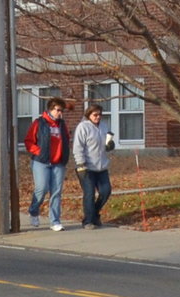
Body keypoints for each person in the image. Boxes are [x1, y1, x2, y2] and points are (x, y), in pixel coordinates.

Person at [22, 97, 70, 230]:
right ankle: (34, 211)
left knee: (56, 192)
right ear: (50, 109)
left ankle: (55, 221)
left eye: (62, 111)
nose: (60, 113)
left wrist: (64, 155)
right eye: (58, 110)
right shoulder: (39, 123)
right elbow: (28, 141)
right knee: (41, 188)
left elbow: (66, 139)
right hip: (41, 162)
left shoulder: (62, 124)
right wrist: (38, 151)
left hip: (58, 162)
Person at [74, 103, 114, 228]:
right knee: (89, 193)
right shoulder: (83, 127)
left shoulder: (103, 126)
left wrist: (110, 145)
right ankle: (88, 221)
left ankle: (94, 213)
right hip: (86, 167)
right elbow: (77, 147)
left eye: (100, 115)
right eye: (95, 115)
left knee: (105, 191)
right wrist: (81, 163)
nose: (98, 117)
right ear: (89, 115)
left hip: (101, 167)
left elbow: (107, 144)